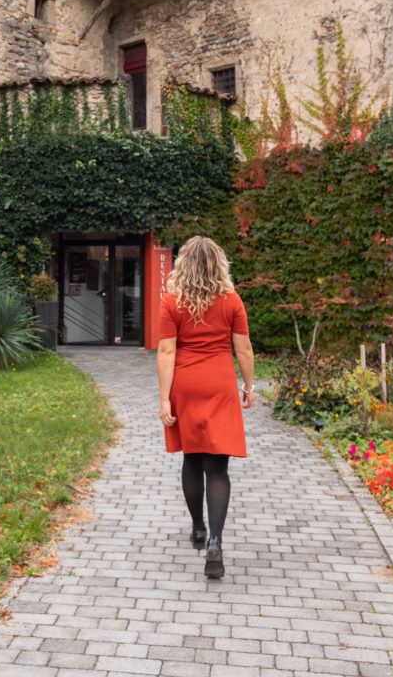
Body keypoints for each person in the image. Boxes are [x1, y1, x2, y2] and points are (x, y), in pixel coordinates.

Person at [157, 236, 255, 578]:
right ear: (218, 264)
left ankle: (197, 528)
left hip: (186, 386)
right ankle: (215, 540)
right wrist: (249, 386)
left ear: (184, 264)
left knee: (191, 458)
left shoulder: (171, 301)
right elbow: (243, 350)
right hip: (219, 386)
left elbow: (167, 352)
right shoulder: (232, 301)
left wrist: (164, 397)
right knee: (217, 468)